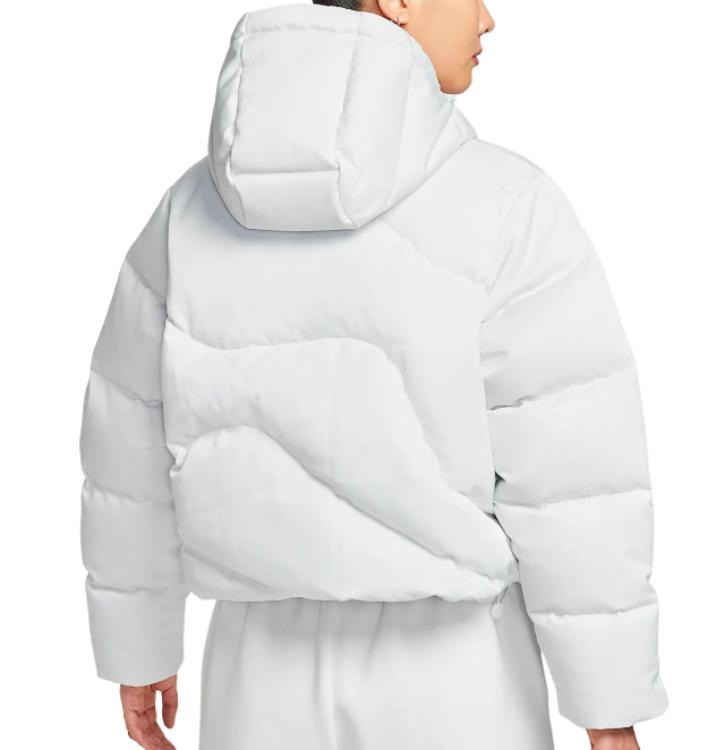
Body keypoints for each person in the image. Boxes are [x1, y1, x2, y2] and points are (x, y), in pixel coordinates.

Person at [78, 2, 669, 749]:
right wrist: (608, 704)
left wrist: (138, 643)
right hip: (454, 676)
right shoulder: (507, 206)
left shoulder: (188, 212)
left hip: (253, 673)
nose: (488, 18)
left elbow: (125, 445)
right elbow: (573, 474)